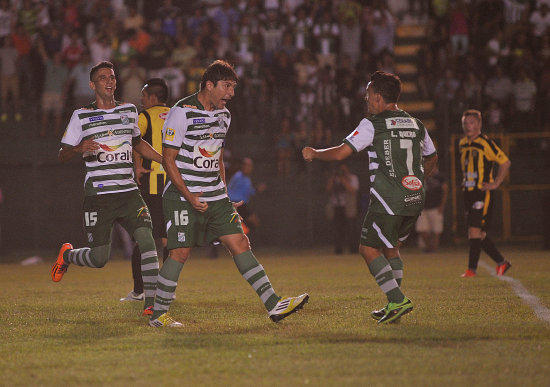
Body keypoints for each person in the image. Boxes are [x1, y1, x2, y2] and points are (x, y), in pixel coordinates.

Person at [150, 60, 308, 327]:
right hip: (181, 196)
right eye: (226, 87)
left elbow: (218, 156)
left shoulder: (225, 115)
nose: (231, 94)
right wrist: (190, 197)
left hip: (216, 196)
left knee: (240, 243)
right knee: (179, 252)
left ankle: (273, 304)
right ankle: (158, 315)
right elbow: (168, 159)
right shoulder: (181, 112)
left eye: (233, 88)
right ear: (209, 85)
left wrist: (224, 193)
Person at [302, 71, 438, 324]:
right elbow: (432, 155)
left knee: (367, 248)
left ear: (377, 97)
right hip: (415, 197)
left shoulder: (373, 123)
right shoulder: (415, 123)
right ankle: (393, 304)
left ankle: (397, 299)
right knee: (391, 247)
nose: (366, 100)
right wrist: (420, 179)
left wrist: (314, 153)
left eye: (367, 96)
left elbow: (342, 153)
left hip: (388, 199)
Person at [51, 61, 163, 317]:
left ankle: (153, 304)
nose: (109, 81)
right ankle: (67, 256)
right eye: (103, 78)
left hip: (129, 193)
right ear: (92, 85)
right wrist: (79, 149)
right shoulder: (81, 115)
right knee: (100, 258)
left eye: (112, 77)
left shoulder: (129, 111)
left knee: (147, 240)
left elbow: (138, 143)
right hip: (99, 197)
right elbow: (61, 154)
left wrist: (164, 160)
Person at [120, 78, 170, 303]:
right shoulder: (177, 114)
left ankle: (140, 291)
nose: (142, 99)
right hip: (174, 183)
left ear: (152, 97)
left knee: (143, 236)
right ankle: (168, 289)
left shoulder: (144, 116)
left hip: (152, 183)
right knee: (170, 239)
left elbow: (134, 140)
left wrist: (137, 166)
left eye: (144, 95)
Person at [458, 109, 512, 278]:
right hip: (468, 192)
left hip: (481, 193)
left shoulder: (485, 142)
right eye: (466, 123)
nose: (468, 126)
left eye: (472, 123)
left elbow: (505, 162)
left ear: (479, 124)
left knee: (475, 231)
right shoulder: (462, 143)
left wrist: (496, 183)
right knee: (478, 234)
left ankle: (471, 270)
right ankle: (502, 262)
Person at [326, 162, 359, 254]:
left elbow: (352, 190)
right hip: (337, 206)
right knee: (337, 229)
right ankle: (338, 249)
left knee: (351, 229)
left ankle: (353, 249)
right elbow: (328, 189)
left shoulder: (353, 178)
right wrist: (333, 177)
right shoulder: (334, 179)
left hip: (348, 207)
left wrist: (344, 179)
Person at [227, 157, 267, 233]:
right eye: (247, 165)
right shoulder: (238, 176)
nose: (249, 168)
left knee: (252, 222)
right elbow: (229, 189)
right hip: (237, 204)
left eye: (250, 166)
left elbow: (250, 191)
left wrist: (258, 189)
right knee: (253, 221)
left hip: (242, 205)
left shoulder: (247, 179)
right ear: (242, 166)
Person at [415, 165, 448, 253]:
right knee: (421, 229)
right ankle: (429, 246)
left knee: (436, 230)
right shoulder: (421, 176)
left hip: (436, 207)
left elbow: (445, 191)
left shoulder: (440, 177)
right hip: (423, 207)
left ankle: (434, 249)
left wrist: (442, 206)